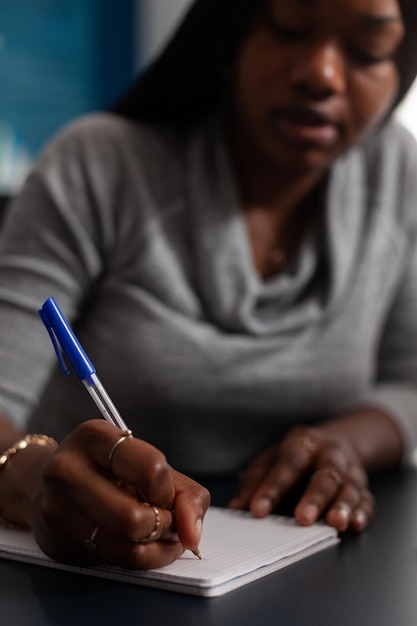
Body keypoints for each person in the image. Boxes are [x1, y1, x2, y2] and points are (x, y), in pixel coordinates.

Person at [0, 0, 417, 571]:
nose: (320, 73)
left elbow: (409, 378)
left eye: (368, 50)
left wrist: (342, 442)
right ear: (227, 38)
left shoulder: (396, 173)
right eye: (289, 29)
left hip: (306, 562)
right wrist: (32, 477)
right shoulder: (99, 166)